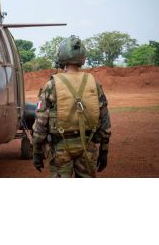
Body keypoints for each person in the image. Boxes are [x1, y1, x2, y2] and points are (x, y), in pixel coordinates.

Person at [32, 35, 111, 178]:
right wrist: (104, 151)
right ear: (82, 57)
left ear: (61, 56)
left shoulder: (51, 85)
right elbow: (105, 121)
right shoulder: (93, 83)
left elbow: (40, 123)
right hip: (88, 146)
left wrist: (37, 152)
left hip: (60, 148)